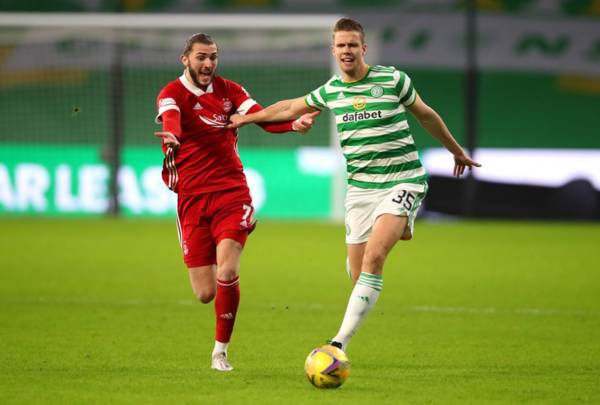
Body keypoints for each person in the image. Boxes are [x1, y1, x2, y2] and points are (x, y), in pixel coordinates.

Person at [228, 18, 481, 352]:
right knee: (358, 272)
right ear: (332, 50)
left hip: (402, 179)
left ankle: (338, 344)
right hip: (360, 190)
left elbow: (426, 115)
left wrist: (456, 151)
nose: (347, 51)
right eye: (341, 45)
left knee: (375, 258)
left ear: (364, 48)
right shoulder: (332, 90)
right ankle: (394, 225)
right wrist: (247, 118)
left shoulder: (392, 79)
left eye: (352, 45)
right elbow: (289, 107)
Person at [154, 33, 318, 371]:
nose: (208, 64)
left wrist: (292, 124)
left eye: (213, 57)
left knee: (228, 268)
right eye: (201, 57)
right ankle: (219, 324)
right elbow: (170, 117)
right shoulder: (171, 94)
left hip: (231, 193)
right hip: (191, 198)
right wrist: (172, 134)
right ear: (185, 59)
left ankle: (220, 352)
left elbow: (259, 117)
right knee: (204, 293)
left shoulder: (230, 90)